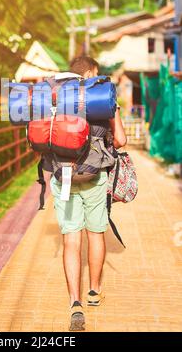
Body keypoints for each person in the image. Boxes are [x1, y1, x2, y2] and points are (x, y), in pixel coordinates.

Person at [44, 56, 127, 331]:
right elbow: (122, 141)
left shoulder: (54, 96)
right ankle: (93, 292)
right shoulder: (100, 96)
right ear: (90, 72)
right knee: (95, 233)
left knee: (71, 240)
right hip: (94, 175)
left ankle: (74, 302)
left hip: (61, 173)